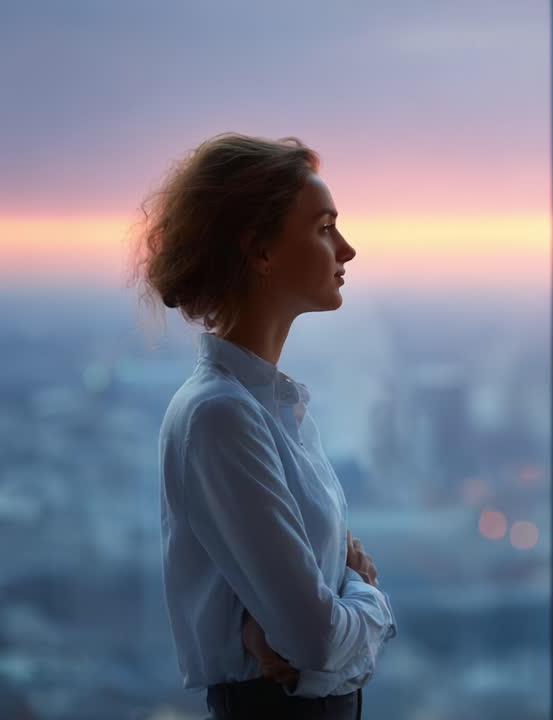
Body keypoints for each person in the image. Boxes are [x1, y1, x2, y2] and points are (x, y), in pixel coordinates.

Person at [134, 132, 395, 719]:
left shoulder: (269, 408)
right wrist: (367, 595)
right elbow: (318, 640)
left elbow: (312, 636)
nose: (346, 249)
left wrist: (323, 617)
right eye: (324, 227)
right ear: (261, 251)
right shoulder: (221, 416)